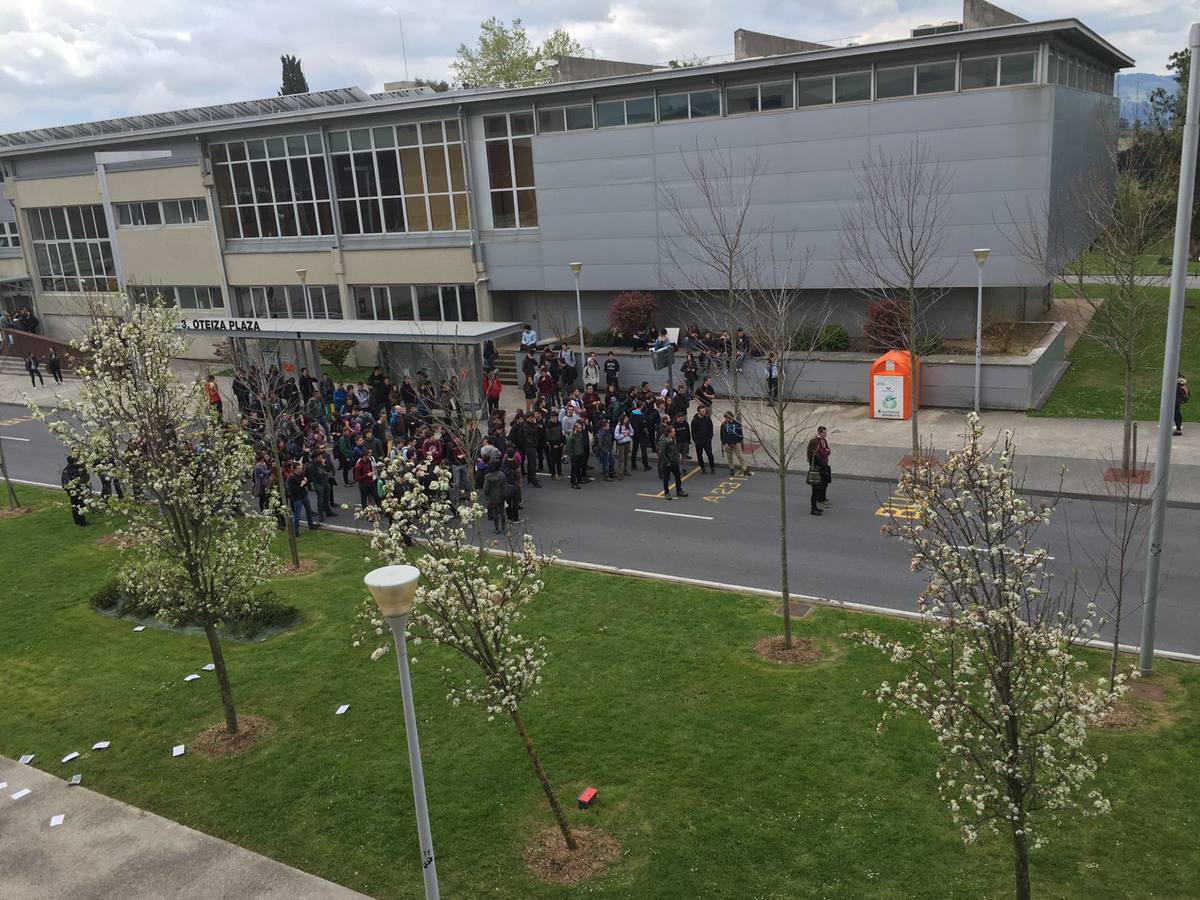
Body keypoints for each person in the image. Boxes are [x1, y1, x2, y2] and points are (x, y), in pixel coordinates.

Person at [285, 462, 318, 535]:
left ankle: (311, 525)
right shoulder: (291, 478)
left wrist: (305, 481)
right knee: (297, 515)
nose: (300, 469)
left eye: (301, 468)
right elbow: (293, 490)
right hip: (297, 498)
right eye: (299, 468)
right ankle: (296, 531)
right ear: (294, 469)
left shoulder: (302, 474)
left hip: (304, 495)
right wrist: (302, 484)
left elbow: (306, 479)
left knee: (309, 511)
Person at [656, 427, 687, 499]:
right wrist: (667, 462)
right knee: (666, 478)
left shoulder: (673, 439)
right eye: (673, 431)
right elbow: (661, 453)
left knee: (678, 477)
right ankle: (667, 493)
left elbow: (674, 449)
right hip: (668, 463)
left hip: (674, 461)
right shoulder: (664, 441)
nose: (675, 432)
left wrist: (676, 457)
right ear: (669, 433)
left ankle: (679, 490)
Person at [61, 455, 90, 526]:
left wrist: (68, 490)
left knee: (74, 505)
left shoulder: (66, 469)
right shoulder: (77, 470)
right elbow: (84, 479)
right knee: (81, 505)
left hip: (72, 491)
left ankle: (76, 520)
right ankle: (82, 522)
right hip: (78, 490)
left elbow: (64, 481)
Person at [720, 411, 751, 477]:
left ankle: (745, 469)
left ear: (731, 417)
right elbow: (722, 434)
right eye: (726, 418)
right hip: (727, 444)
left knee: (740, 456)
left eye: (728, 418)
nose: (727, 419)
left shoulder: (737, 424)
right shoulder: (723, 425)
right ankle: (731, 468)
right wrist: (724, 442)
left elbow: (740, 433)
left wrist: (739, 441)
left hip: (736, 443)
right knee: (729, 457)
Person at [809, 425, 832, 509]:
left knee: (826, 482)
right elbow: (822, 452)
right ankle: (820, 500)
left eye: (826, 432)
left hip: (825, 464)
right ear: (819, 433)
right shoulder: (816, 442)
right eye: (824, 432)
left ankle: (823, 498)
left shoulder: (824, 440)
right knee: (821, 484)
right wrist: (826, 452)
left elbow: (828, 450)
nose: (825, 434)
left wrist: (826, 451)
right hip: (820, 466)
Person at [482, 460, 507, 532]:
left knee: (495, 512)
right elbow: (504, 484)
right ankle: (503, 528)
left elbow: (486, 489)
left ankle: (497, 529)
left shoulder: (487, 477)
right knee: (502, 512)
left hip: (492, 497)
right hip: (501, 495)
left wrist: (486, 495)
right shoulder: (501, 474)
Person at [691, 406, 715, 474]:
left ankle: (712, 467)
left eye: (704, 411)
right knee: (699, 455)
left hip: (707, 440)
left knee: (709, 454)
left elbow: (711, 428)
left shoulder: (707, 419)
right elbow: (693, 431)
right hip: (698, 441)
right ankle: (703, 468)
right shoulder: (694, 420)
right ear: (698, 412)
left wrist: (710, 437)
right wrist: (695, 440)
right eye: (702, 411)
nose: (704, 412)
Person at [566, 420, 587, 489]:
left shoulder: (580, 434)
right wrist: (572, 455)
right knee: (574, 469)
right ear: (576, 428)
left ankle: (579, 479)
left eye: (581, 428)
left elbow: (581, 444)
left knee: (578, 468)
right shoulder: (572, 436)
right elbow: (569, 447)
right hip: (574, 455)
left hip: (580, 453)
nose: (581, 429)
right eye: (580, 428)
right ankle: (573, 482)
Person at [614, 414, 634, 478]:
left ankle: (625, 470)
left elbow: (632, 432)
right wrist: (623, 435)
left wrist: (629, 434)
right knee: (621, 458)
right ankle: (620, 473)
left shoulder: (628, 425)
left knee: (626, 457)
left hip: (627, 442)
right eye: (625, 419)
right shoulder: (618, 427)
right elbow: (616, 436)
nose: (627, 420)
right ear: (622, 419)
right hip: (621, 444)